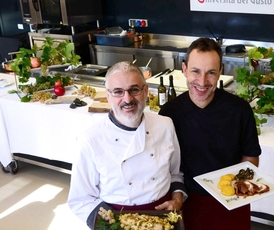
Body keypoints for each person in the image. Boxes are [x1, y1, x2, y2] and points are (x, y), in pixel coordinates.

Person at [68, 61, 187, 229]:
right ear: (108, 96)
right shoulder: (90, 140)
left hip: (163, 218)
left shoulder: (165, 125)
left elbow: (175, 173)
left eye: (134, 89)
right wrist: (114, 224)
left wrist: (177, 199)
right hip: (117, 222)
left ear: (145, 91)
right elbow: (80, 199)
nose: (128, 99)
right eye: (118, 92)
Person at [159, 37, 261, 229]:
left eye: (211, 73)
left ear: (220, 72)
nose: (203, 82)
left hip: (231, 202)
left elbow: (250, 157)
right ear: (184, 69)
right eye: (196, 71)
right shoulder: (169, 113)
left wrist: (236, 187)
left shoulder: (239, 110)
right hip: (186, 203)